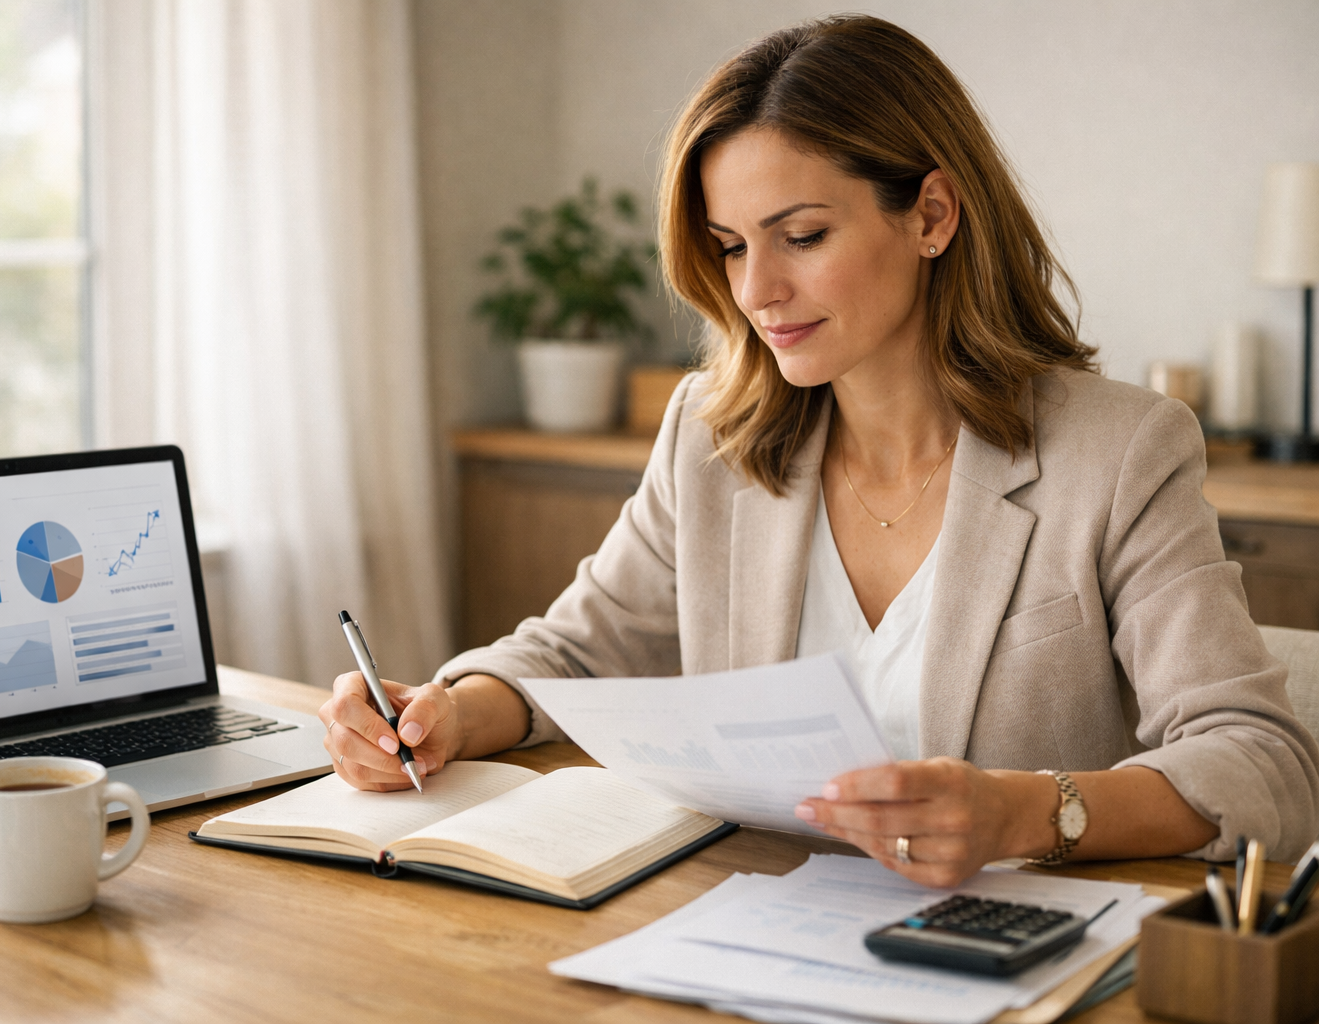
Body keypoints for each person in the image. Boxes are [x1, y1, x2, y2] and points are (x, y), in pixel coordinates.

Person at [318, 15, 1319, 886]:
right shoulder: (714, 435)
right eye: (731, 245)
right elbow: (577, 652)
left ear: (931, 215)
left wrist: (1025, 811)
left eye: (799, 236)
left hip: (1008, 957)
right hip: (742, 928)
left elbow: (1261, 762)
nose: (756, 293)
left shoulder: (1120, 452)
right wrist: (443, 711)